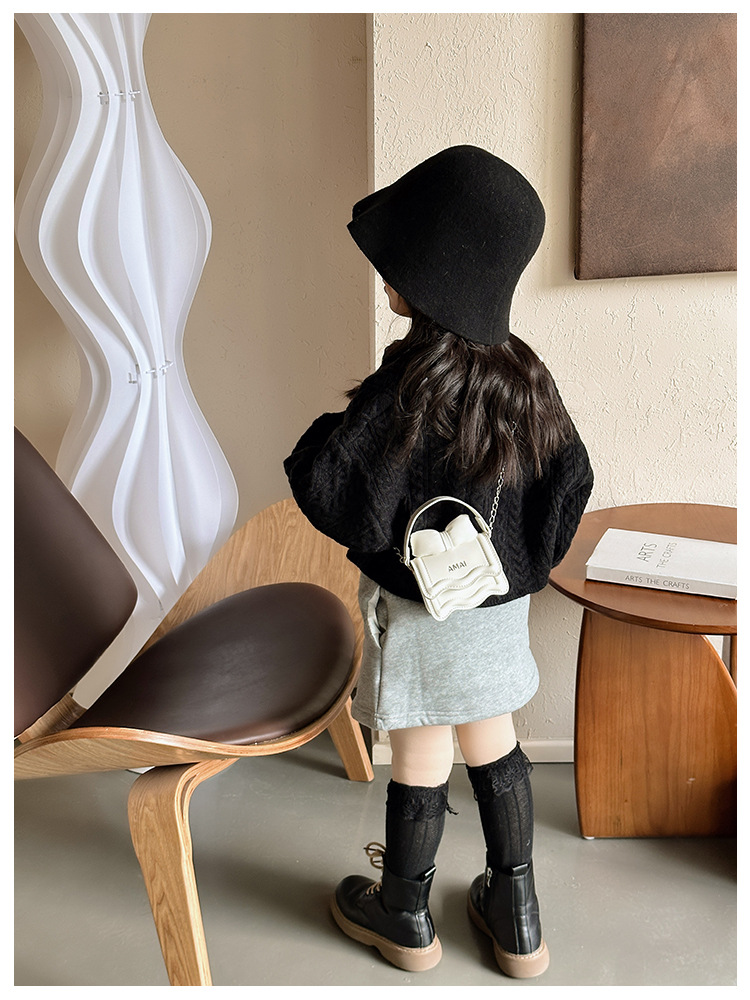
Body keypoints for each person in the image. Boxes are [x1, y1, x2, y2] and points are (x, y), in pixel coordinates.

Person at [283, 145, 593, 978]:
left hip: (419, 617)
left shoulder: (409, 383)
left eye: (400, 262)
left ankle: (405, 914)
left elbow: (331, 483)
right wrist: (518, 565)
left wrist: (331, 438)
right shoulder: (525, 378)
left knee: (421, 753)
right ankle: (518, 918)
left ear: (433, 272)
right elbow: (570, 483)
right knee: (496, 743)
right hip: (495, 610)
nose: (387, 276)